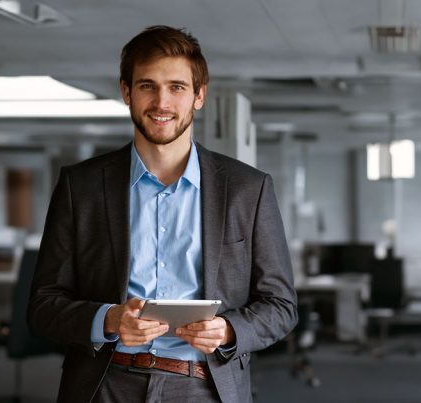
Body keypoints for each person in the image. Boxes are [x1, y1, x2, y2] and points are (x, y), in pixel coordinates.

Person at [28, 25, 297, 403]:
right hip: (105, 384)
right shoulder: (82, 186)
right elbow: (43, 304)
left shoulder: (247, 188)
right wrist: (108, 320)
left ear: (199, 96)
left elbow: (281, 306)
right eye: (147, 86)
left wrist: (228, 330)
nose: (161, 102)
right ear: (126, 92)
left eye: (177, 87)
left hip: (204, 387)